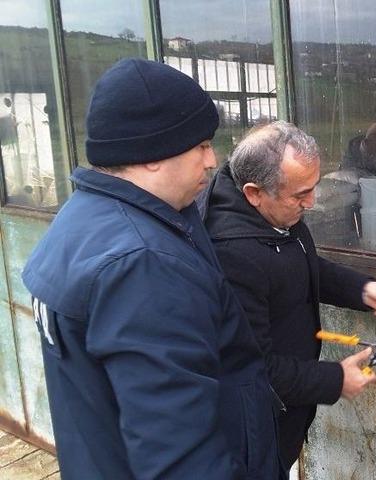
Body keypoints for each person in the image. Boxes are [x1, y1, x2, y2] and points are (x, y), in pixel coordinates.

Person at [22, 58, 280, 480]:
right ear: (152, 156)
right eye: (199, 145)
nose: (212, 160)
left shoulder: (87, 217)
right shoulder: (143, 264)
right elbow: (180, 454)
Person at [200, 121, 376, 467]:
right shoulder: (232, 255)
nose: (311, 203)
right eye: (300, 195)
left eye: (313, 187)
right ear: (254, 192)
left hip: (286, 416)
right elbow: (253, 368)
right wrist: (335, 379)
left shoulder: (270, 213)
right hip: (254, 433)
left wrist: (361, 290)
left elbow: (298, 265)